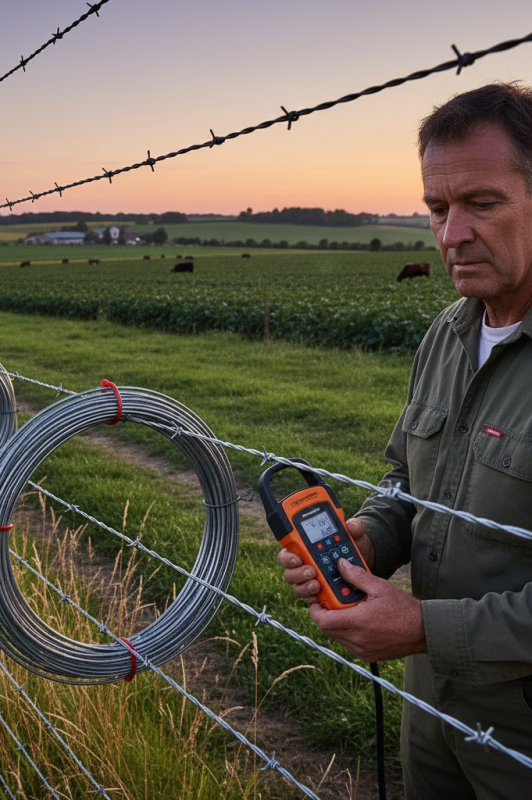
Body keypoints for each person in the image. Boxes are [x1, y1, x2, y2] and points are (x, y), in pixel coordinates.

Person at [278, 82, 532, 799]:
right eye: (437, 209)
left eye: (482, 203)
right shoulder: (447, 335)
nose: (452, 234)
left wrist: (423, 627)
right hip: (431, 705)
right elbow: (405, 478)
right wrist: (367, 537)